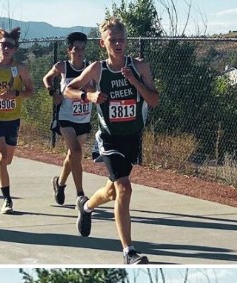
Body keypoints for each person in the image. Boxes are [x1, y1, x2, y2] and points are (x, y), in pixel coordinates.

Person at [65, 17, 159, 264]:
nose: (118, 44)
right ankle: (129, 252)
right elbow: (68, 89)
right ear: (102, 42)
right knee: (124, 189)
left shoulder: (139, 66)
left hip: (133, 137)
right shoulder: (97, 69)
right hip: (109, 139)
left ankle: (85, 208)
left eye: (122, 39)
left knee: (110, 191)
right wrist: (89, 95)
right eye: (112, 40)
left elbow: (154, 101)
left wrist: (134, 81)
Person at [0, 27, 35, 214]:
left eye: (10, 46)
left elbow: (30, 91)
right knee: (3, 158)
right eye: (3, 44)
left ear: (15, 49)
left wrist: (15, 93)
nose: (6, 48)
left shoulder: (20, 69)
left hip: (13, 119)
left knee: (6, 159)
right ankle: (7, 200)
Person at [42, 32, 94, 205]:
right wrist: (53, 92)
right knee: (77, 153)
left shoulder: (90, 68)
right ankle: (80, 195)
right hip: (66, 117)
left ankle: (60, 183)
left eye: (82, 49)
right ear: (69, 50)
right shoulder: (62, 66)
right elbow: (47, 78)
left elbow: (95, 86)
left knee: (72, 155)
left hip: (83, 118)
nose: (80, 52)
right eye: (76, 49)